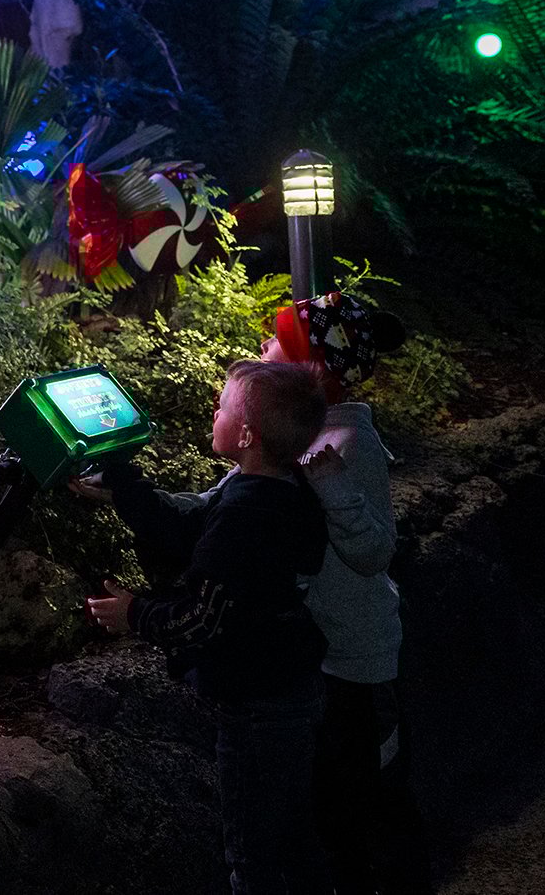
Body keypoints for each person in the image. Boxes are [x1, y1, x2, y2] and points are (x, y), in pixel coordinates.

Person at [85, 360, 331, 895]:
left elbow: (203, 617)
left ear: (245, 434)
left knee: (252, 853)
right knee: (292, 834)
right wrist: (123, 481)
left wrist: (135, 614)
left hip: (259, 708)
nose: (213, 411)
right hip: (289, 689)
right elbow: (183, 527)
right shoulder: (273, 488)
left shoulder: (246, 515)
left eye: (222, 406)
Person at [271, 300, 433, 895]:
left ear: (312, 370)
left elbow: (373, 552)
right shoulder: (307, 434)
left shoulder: (347, 446)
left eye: (276, 348)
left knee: (373, 799)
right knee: (342, 801)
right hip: (332, 655)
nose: (262, 354)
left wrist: (332, 484)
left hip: (361, 663)